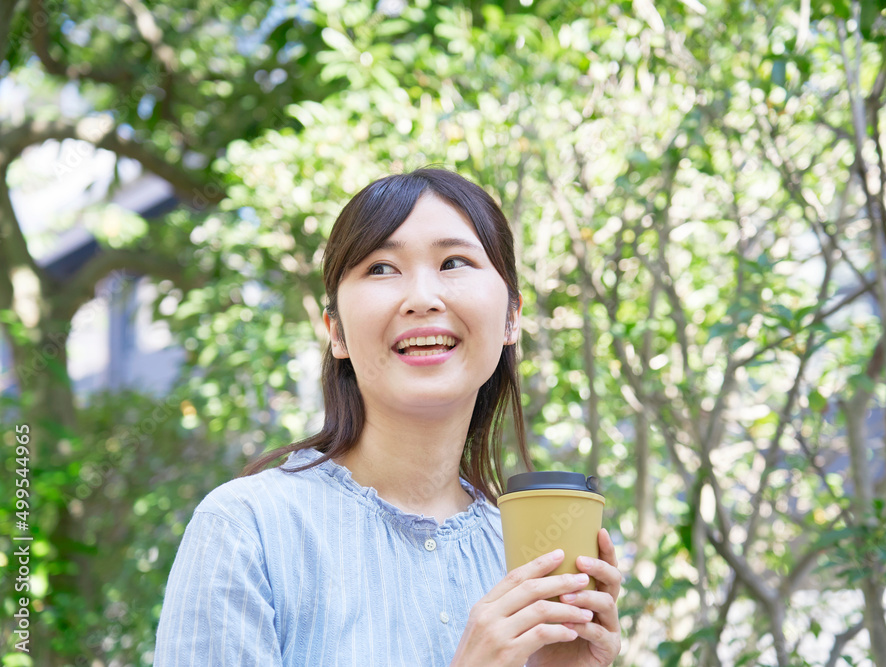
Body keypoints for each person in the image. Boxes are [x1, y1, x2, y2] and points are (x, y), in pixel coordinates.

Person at [153, 168, 622, 666]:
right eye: (381, 268)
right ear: (336, 332)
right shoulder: (247, 529)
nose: (422, 298)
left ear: (511, 317)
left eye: (454, 261)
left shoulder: (532, 557)